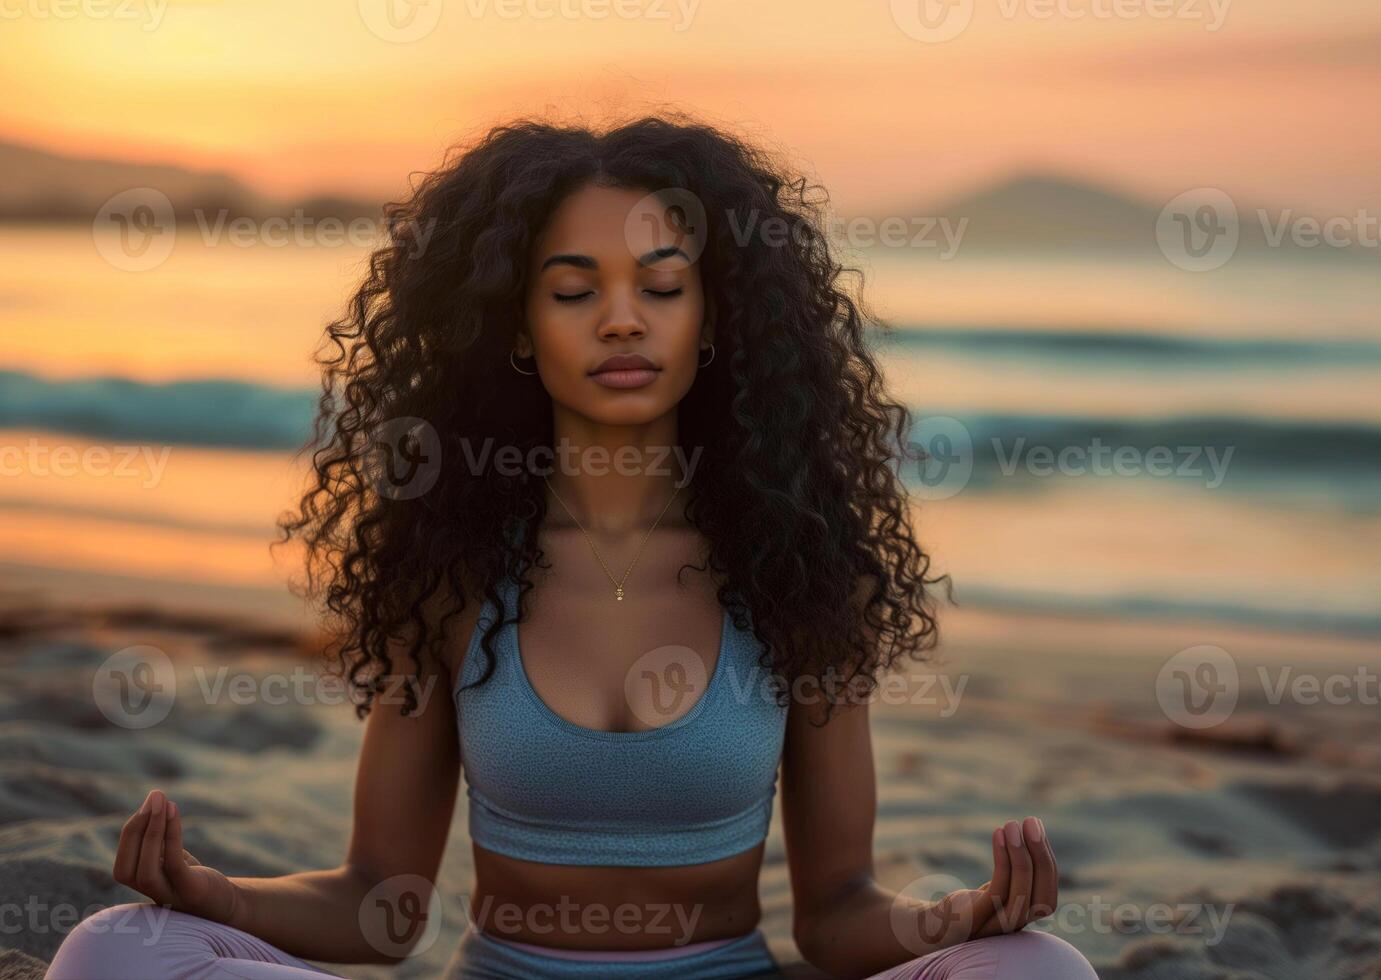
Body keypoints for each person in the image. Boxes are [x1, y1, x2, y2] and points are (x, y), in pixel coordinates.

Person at [47, 114, 1098, 980]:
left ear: (714, 319)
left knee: (1040, 966)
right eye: (574, 288)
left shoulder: (796, 568)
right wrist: (212, 892)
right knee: (114, 948)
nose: (623, 320)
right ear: (516, 326)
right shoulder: (455, 569)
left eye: (662, 284)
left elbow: (834, 915)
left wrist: (960, 916)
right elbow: (382, 900)